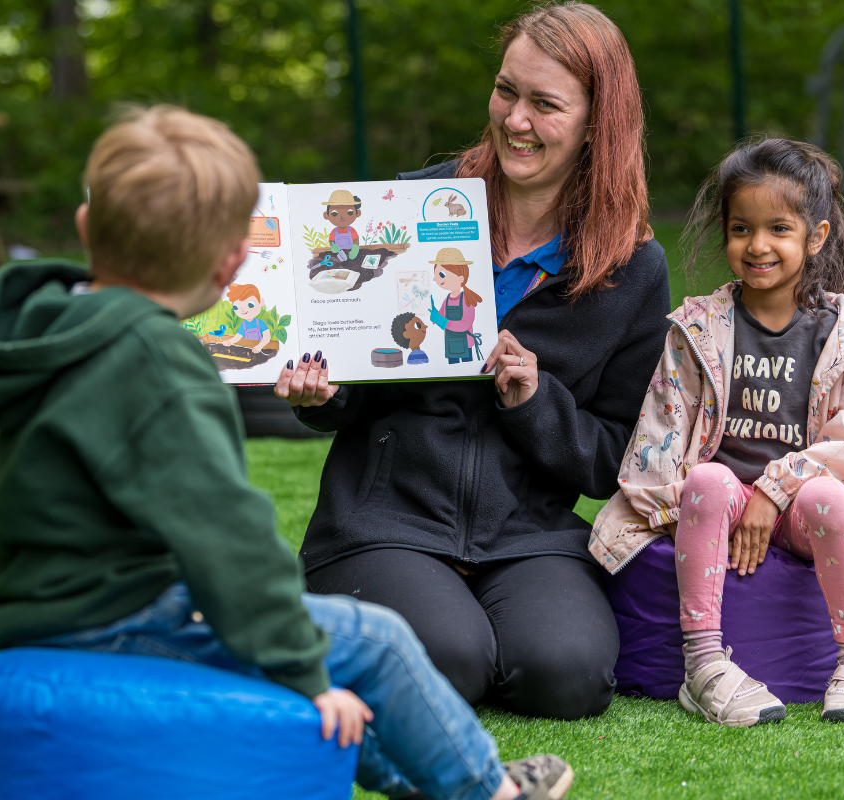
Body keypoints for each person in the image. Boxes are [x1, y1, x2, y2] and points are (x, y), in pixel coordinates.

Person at [0, 105, 573, 800]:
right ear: (230, 267)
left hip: (28, 605)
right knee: (379, 642)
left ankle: (411, 781)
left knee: (324, 660)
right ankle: (489, 791)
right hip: (123, 616)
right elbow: (228, 540)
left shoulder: (43, 330)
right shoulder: (160, 360)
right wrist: (303, 670)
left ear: (83, 226)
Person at [275, 2, 671, 721]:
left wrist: (533, 399)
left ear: (596, 122)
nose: (515, 119)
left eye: (545, 104)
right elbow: (347, 389)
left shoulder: (633, 265)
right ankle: (340, 609)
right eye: (506, 90)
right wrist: (319, 395)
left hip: (530, 537)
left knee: (568, 677)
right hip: (384, 522)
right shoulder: (412, 206)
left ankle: (431, 625)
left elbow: (616, 454)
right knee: (451, 661)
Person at [590, 138, 844, 727]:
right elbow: (655, 441)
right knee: (708, 481)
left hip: (795, 510)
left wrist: (773, 491)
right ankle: (705, 663)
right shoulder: (698, 331)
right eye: (741, 228)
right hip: (718, 503)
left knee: (825, 493)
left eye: (778, 230)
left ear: (814, 238)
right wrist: (691, 512)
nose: (757, 246)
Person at [428, 248, 484, 363]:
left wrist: (443, 322)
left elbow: (465, 324)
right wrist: (434, 315)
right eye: (436, 274)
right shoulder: (447, 299)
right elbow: (440, 317)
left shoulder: (466, 300)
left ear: (460, 278)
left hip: (465, 345)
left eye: (441, 274)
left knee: (467, 369)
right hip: (450, 345)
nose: (435, 278)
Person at [222, 283, 271, 351]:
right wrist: (229, 341)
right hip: (248, 350)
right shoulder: (243, 325)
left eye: (250, 304)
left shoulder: (260, 323)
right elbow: (237, 337)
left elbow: (267, 337)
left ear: (261, 302)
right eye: (236, 307)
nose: (243, 310)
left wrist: (259, 347)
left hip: (261, 350)